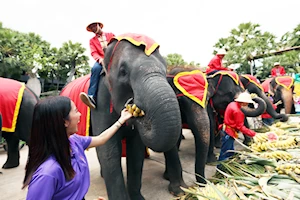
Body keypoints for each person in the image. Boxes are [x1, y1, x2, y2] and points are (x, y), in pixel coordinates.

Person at [22, 96, 132, 200]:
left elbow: (101, 139)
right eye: (75, 111)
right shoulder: (48, 173)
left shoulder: (74, 142)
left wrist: (121, 119)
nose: (80, 115)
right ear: (65, 122)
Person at [80, 22, 115, 109]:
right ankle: (91, 96)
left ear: (99, 26)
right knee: (95, 69)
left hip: (113, 57)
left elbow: (116, 45)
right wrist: (100, 60)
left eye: (94, 26)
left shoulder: (110, 35)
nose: (93, 28)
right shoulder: (92, 41)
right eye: (91, 28)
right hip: (101, 59)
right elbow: (94, 52)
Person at [218, 92, 257, 161]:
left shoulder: (232, 104)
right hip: (229, 132)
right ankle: (220, 168)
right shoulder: (238, 111)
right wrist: (253, 134)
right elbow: (240, 127)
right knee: (225, 152)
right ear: (243, 102)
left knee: (229, 150)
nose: (247, 104)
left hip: (226, 129)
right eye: (247, 103)